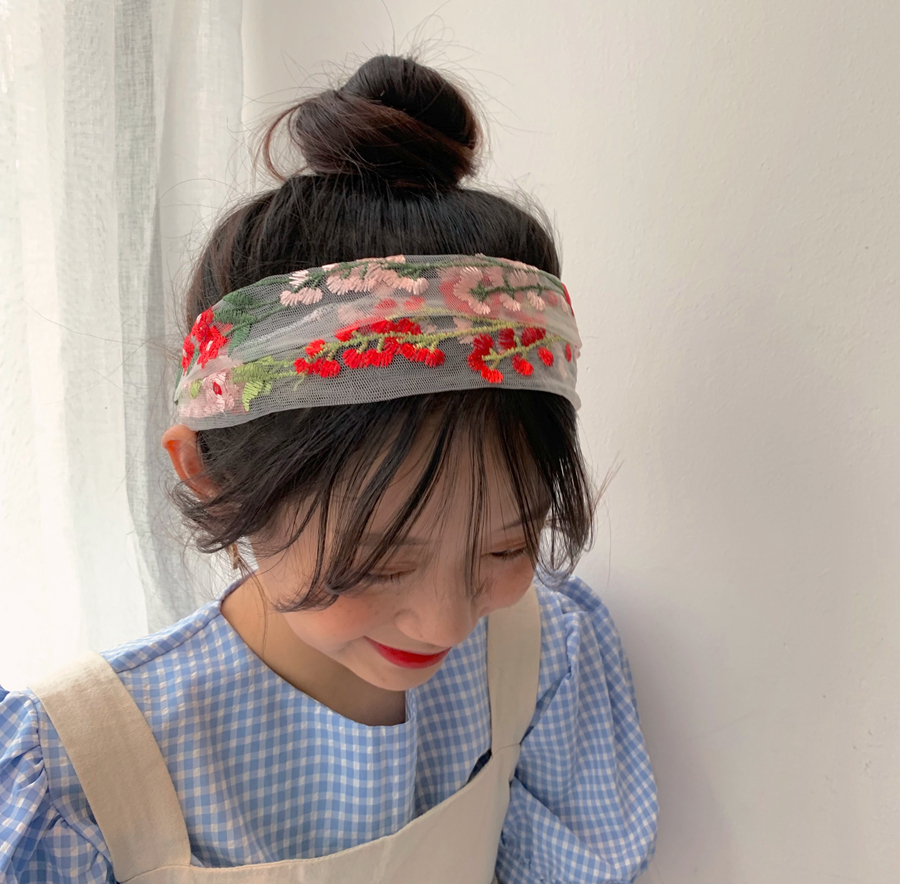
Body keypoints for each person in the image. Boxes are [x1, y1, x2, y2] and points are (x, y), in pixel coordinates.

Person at [0, 54, 658, 883]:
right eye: (378, 560)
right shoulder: (78, 776)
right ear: (212, 475)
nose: (445, 624)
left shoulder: (542, 653)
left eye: (504, 546)